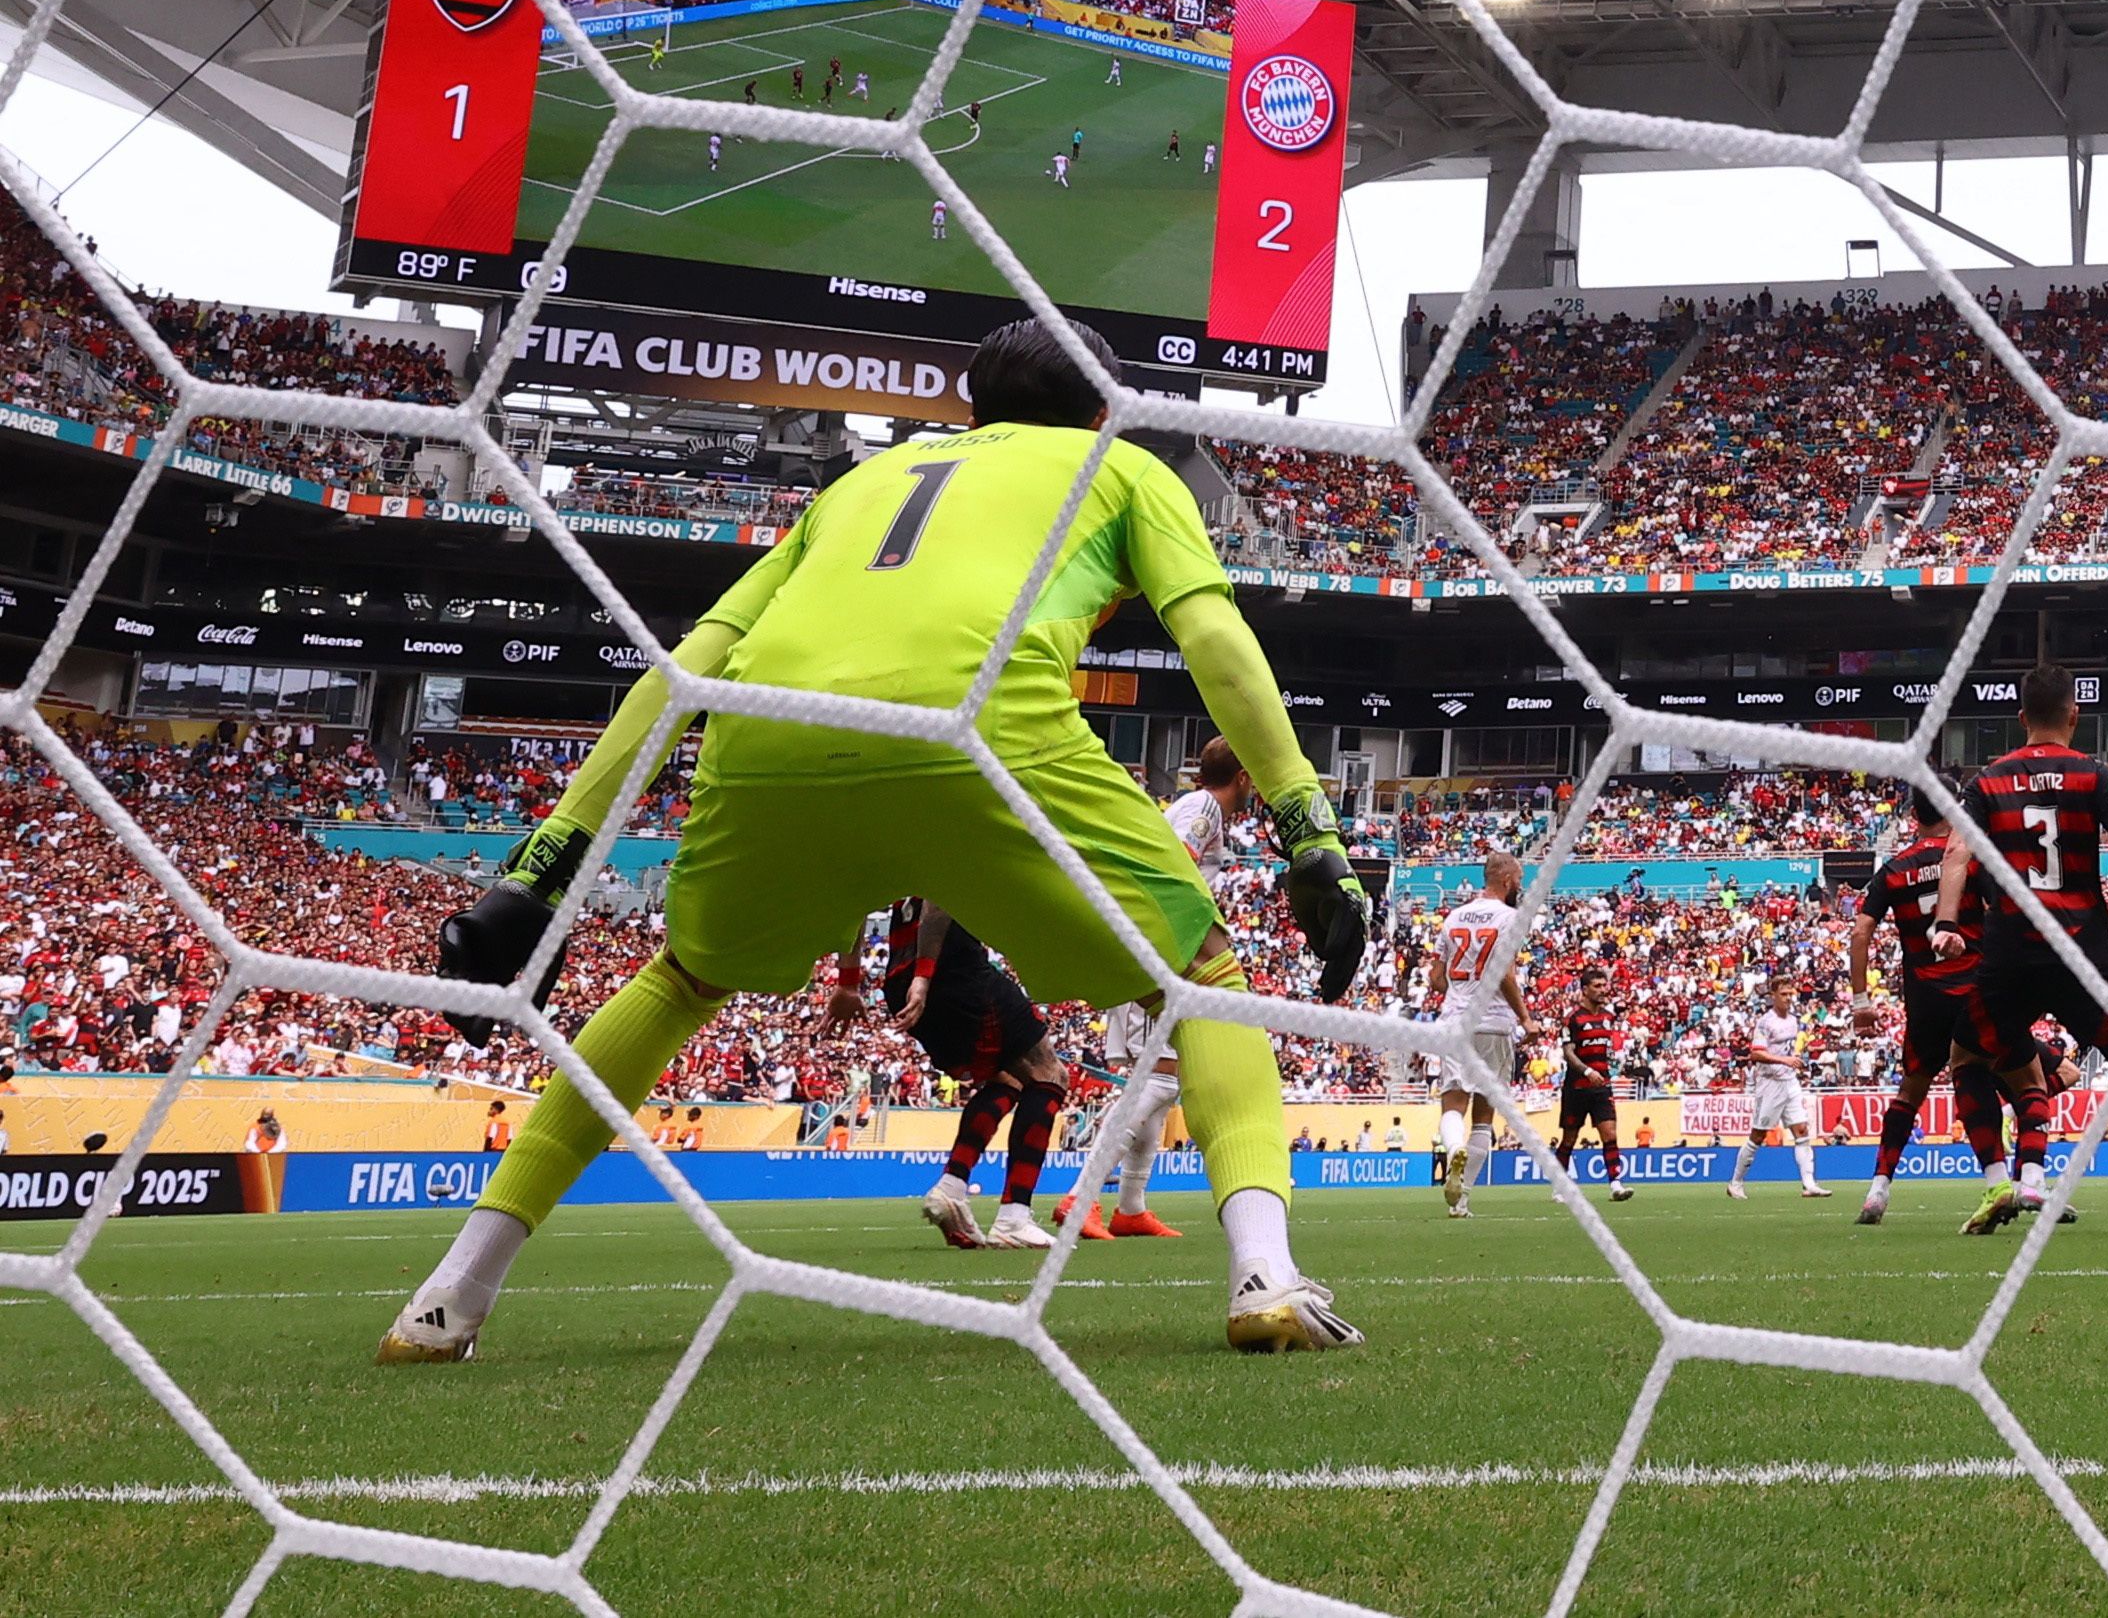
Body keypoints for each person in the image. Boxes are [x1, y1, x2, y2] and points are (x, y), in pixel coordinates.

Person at [380, 314, 1371, 1364]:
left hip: (770, 740)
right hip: (982, 732)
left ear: (974, 408)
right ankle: (1262, 1277)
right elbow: (1214, 634)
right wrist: (1306, 826)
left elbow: (694, 656)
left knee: (677, 982)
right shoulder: (1120, 469)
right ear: (1102, 413)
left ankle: (449, 1298)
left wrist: (543, 866)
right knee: (1202, 978)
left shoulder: (857, 485)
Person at [1934, 664, 2108, 1236]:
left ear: (2021, 717)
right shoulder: (2093, 774)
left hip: (2012, 952)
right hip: (2082, 952)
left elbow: (1956, 853)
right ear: (2075, 715)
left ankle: (1997, 1181)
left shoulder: (1989, 780)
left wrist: (1945, 923)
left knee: (1966, 1060)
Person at [1075, 736, 1256, 1241]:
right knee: (1157, 1078)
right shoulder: (1203, 809)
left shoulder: (1197, 808)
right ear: (1242, 777)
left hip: (1152, 946)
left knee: (1162, 1078)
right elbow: (1172, 866)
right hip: (1156, 950)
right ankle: (1082, 1197)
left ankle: (1131, 1206)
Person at [825, 897, 1071, 1249]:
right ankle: (1014, 1217)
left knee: (1008, 1079)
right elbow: (938, 895)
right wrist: (924, 977)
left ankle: (952, 1188)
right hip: (950, 968)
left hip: (898, 979)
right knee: (1049, 1072)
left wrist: (849, 982)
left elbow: (852, 902)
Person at [1843, 781, 2015, 1225]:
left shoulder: (1894, 869)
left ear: (1913, 816)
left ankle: (1878, 1190)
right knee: (2018, 1078)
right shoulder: (1970, 858)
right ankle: (2018, 1181)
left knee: (1911, 1091)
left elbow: (1860, 932)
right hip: (1974, 988)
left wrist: (1861, 1001)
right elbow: (2004, 913)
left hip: (1925, 996)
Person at [1424, 853, 1531, 1219]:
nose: (1520, 886)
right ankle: (1461, 1201)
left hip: (1456, 1021)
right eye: (1519, 880)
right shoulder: (1510, 918)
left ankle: (1454, 1147)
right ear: (1506, 880)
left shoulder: (1453, 917)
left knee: (1453, 1103)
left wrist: (1459, 991)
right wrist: (1526, 1018)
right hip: (1494, 1022)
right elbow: (1505, 975)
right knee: (1484, 1116)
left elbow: (1435, 978)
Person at [1727, 976, 1825, 1199]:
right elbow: (1755, 1053)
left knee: (1802, 1130)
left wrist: (1793, 1060)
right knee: (1758, 1135)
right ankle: (1736, 1182)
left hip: (1789, 1081)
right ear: (1773, 996)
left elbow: (1786, 1049)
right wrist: (1785, 1060)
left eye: (1791, 994)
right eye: (1784, 994)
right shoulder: (1765, 1022)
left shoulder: (1793, 1020)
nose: (1788, 998)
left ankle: (1809, 1184)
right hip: (1769, 1083)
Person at [1552, 962, 1635, 1202]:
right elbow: (1568, 1052)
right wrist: (1587, 1071)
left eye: (1604, 985)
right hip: (1576, 1088)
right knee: (1569, 1139)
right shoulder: (1573, 1019)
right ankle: (1559, 1186)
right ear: (1585, 990)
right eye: (1597, 986)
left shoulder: (1608, 1017)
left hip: (1602, 1087)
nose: (1603, 990)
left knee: (1609, 1134)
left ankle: (1616, 1184)